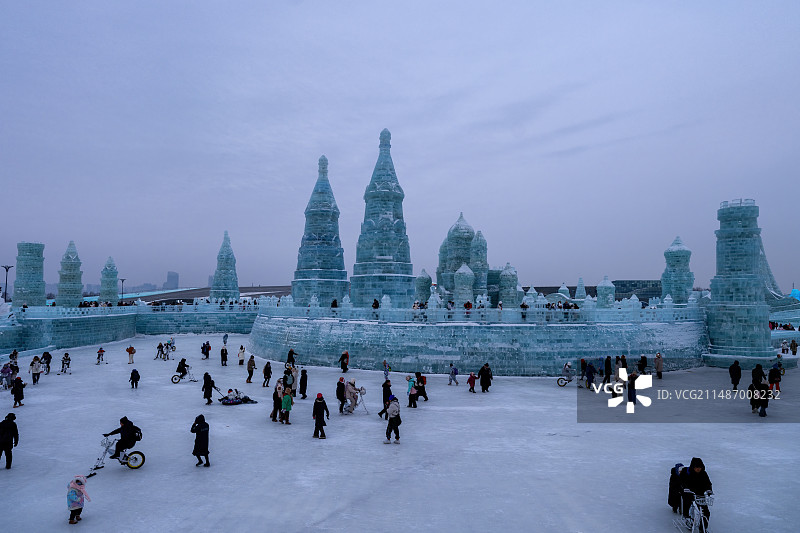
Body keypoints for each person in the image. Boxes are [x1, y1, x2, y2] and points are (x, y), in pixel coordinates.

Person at [679, 457, 712, 525]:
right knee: (687, 502)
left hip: (700, 495)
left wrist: (709, 490)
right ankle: (687, 516)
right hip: (688, 493)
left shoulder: (703, 473)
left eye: (700, 467)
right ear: (693, 467)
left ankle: (703, 529)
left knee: (705, 512)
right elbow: (681, 481)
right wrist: (685, 488)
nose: (698, 469)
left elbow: (708, 483)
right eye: (696, 467)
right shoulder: (686, 472)